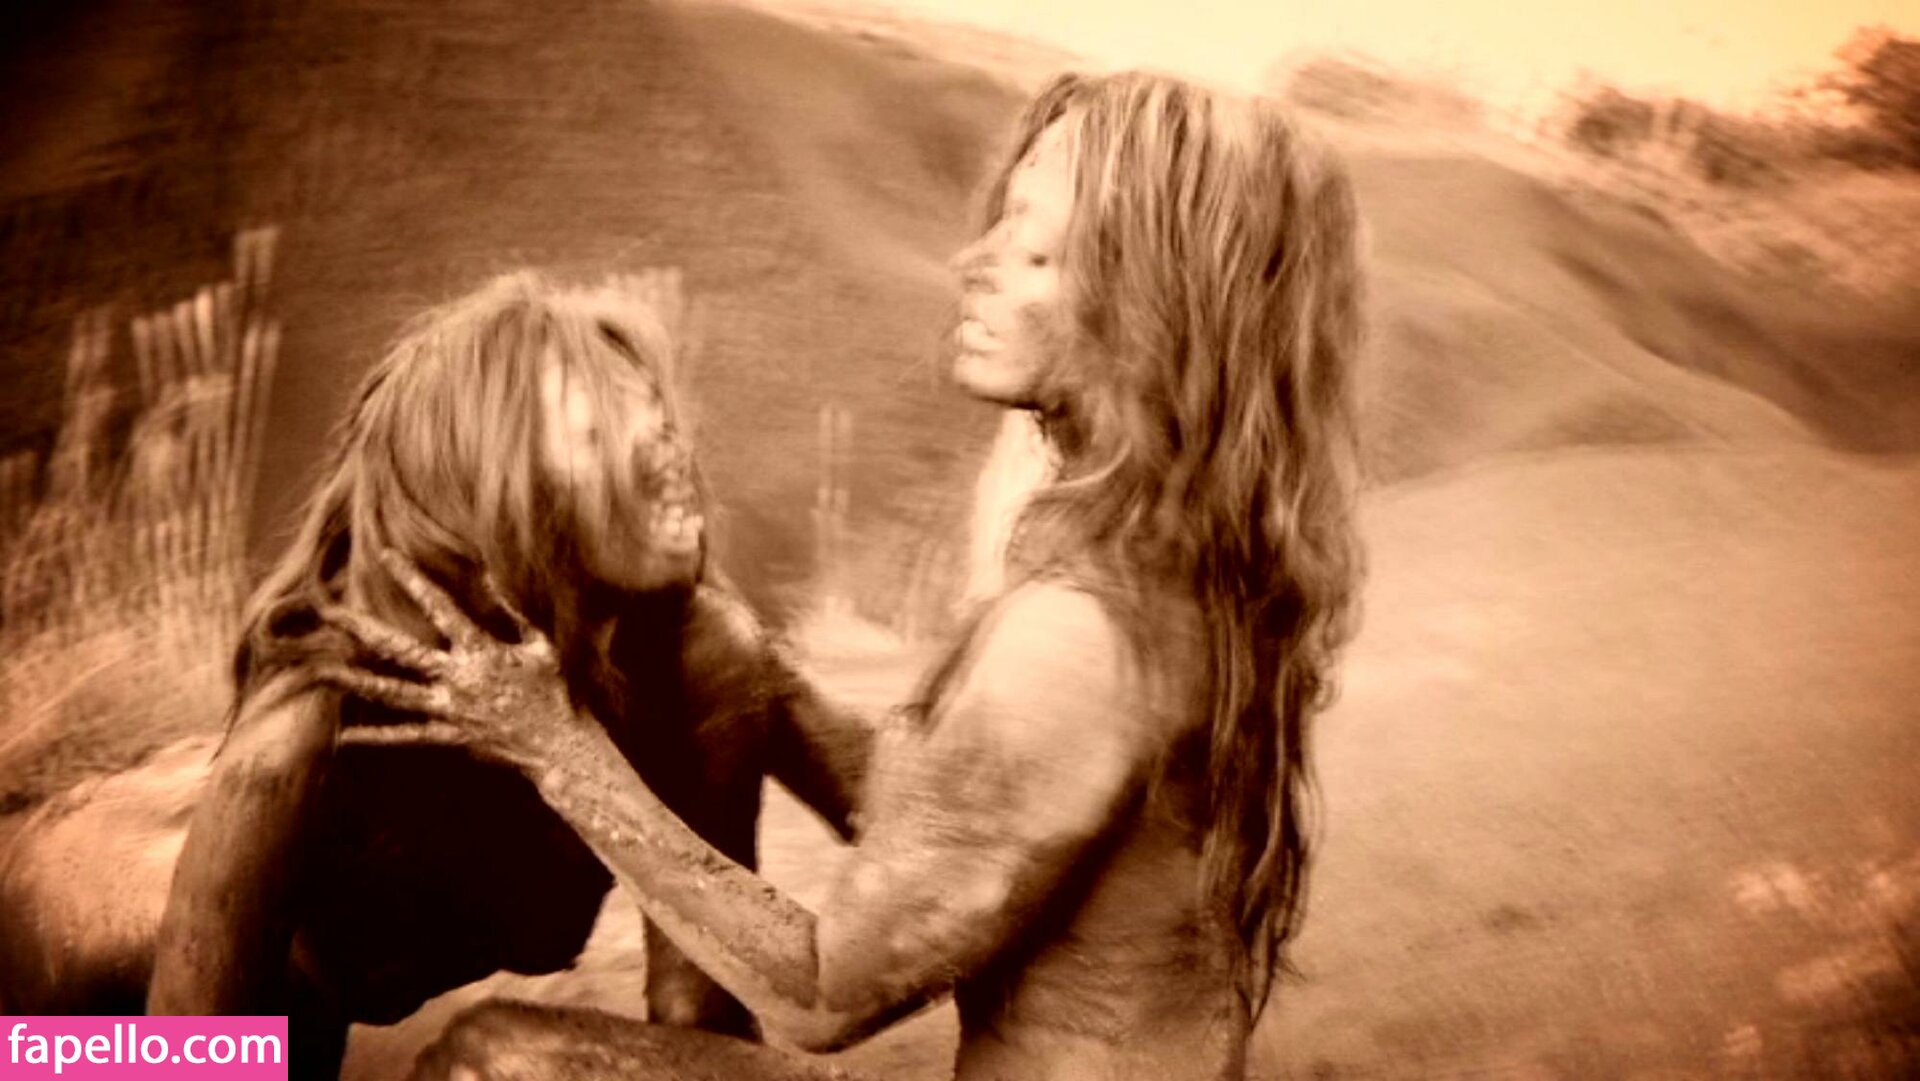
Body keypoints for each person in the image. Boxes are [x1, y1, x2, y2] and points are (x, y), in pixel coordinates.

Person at [320, 70, 1366, 1081]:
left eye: (1034, 248)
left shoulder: (1078, 636)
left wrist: (557, 747)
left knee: (487, 1055)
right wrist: (750, 670)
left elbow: (823, 994)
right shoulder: (1183, 571)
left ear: (1152, 310)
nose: (972, 260)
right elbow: (967, 834)